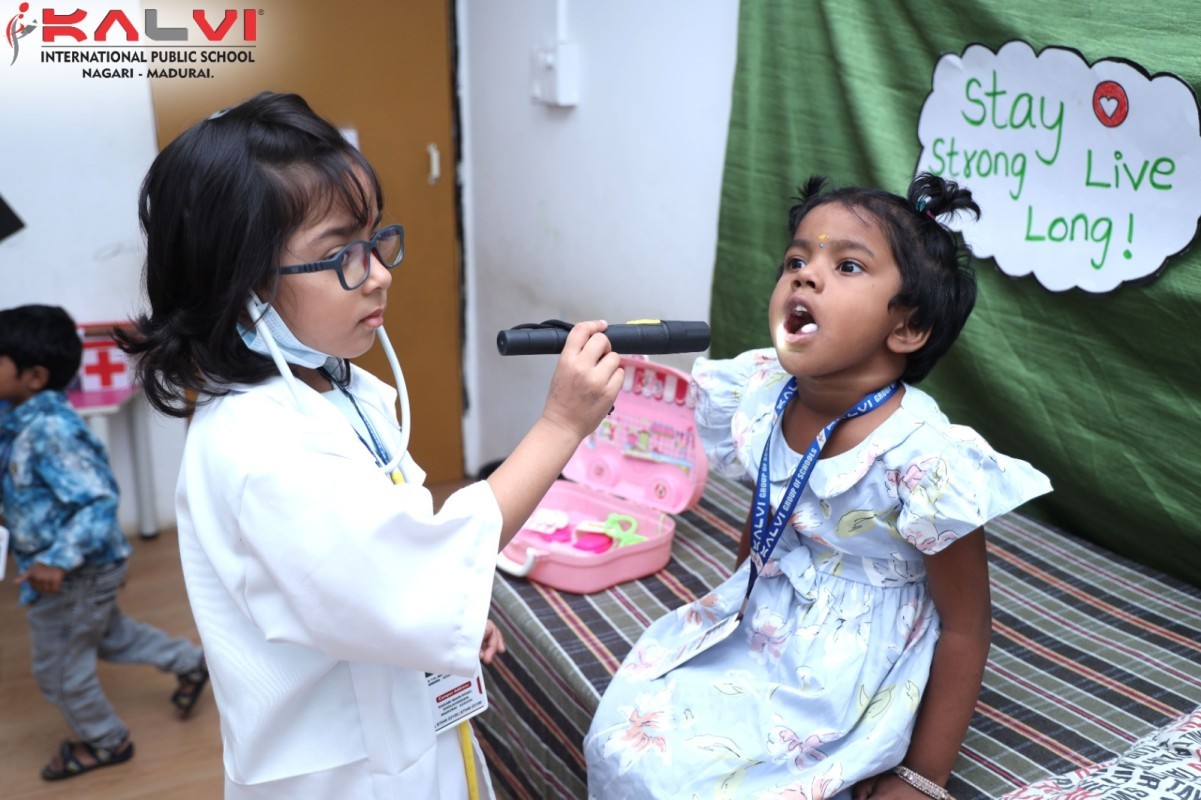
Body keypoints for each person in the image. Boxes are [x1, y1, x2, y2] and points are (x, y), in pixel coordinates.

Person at [117, 91, 623, 800]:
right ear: (243, 286)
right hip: (340, 775)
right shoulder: (263, 451)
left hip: (400, 718)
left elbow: (392, 546)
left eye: (375, 240)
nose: (379, 272)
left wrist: (425, 620)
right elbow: (416, 567)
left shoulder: (335, 384)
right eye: (341, 255)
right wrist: (561, 427)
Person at [583, 173, 1053, 799]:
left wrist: (924, 776)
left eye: (847, 265)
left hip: (856, 665)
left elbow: (968, 627)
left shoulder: (924, 457)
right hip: (769, 621)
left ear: (907, 327)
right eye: (796, 261)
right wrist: (736, 619)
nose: (805, 276)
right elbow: (766, 518)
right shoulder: (762, 393)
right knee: (623, 739)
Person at [0, 304, 208, 782]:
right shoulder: (18, 420)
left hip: (72, 571)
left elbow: (97, 501)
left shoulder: (51, 431)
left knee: (58, 671)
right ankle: (191, 663)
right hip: (81, 567)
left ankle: (106, 741)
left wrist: (57, 560)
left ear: (34, 376)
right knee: (111, 636)